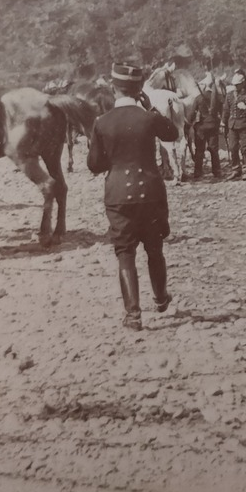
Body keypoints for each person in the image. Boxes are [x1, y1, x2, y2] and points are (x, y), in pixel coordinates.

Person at [86, 62, 180, 331]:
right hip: (150, 192)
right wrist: (150, 107)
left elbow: (94, 164)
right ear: (140, 89)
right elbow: (172, 133)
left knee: (125, 252)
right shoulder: (148, 117)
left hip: (118, 194)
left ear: (114, 89)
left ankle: (133, 315)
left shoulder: (102, 122)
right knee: (154, 248)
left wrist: (112, 160)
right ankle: (161, 299)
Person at [223, 70, 246, 179]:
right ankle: (236, 169)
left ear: (242, 84)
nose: (236, 87)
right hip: (232, 125)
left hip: (245, 125)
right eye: (234, 85)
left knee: (245, 148)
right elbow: (226, 110)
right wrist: (222, 123)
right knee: (232, 147)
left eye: (238, 85)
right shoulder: (229, 96)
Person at [190, 72, 222, 180]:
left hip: (202, 128)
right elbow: (222, 112)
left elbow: (192, 114)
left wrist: (188, 124)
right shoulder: (217, 98)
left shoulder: (198, 98)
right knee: (214, 149)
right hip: (213, 126)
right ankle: (217, 172)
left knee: (199, 150)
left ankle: (198, 173)